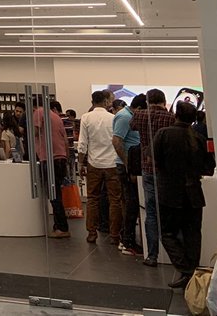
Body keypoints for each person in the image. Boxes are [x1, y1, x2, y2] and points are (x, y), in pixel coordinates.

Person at [152, 101, 215, 289]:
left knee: (167, 233)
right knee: (193, 235)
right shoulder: (198, 138)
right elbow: (209, 167)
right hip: (194, 194)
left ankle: (186, 270)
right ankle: (191, 273)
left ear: (176, 115)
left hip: (170, 193)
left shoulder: (163, 134)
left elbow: (155, 159)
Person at [130, 88, 176, 267]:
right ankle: (175, 256)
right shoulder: (171, 118)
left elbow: (132, 126)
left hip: (147, 168)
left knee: (150, 213)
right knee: (169, 211)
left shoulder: (140, 116)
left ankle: (152, 255)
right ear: (164, 101)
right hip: (166, 171)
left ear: (147, 102)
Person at [79, 89, 123, 244]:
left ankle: (92, 233)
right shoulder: (113, 118)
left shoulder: (86, 117)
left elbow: (82, 144)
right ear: (105, 102)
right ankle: (115, 235)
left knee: (92, 199)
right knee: (115, 200)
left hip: (94, 163)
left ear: (92, 102)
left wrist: (80, 163)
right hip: (112, 163)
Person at [112, 94, 145, 256]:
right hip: (126, 166)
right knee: (131, 203)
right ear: (138, 108)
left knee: (132, 203)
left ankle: (126, 238)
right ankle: (127, 241)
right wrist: (128, 165)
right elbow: (117, 141)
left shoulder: (129, 116)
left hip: (132, 165)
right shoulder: (125, 117)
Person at [33, 100, 71, 239]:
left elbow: (35, 132)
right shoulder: (56, 116)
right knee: (57, 193)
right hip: (60, 157)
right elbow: (65, 140)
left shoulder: (39, 112)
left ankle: (62, 227)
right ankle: (59, 225)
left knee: (54, 195)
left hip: (49, 158)